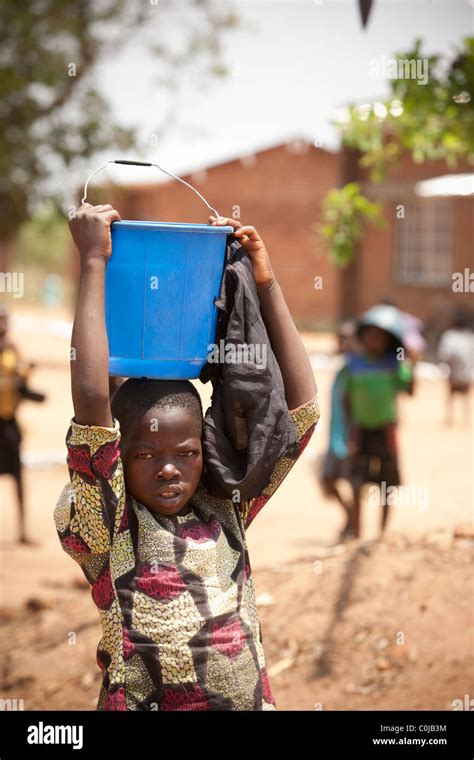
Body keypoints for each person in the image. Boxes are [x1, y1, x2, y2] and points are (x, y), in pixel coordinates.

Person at [53, 202, 319, 711]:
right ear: (117, 459)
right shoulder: (108, 527)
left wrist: (265, 283)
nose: (170, 468)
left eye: (187, 452)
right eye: (146, 454)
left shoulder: (226, 506)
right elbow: (91, 410)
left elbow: (300, 414)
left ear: (206, 449)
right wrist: (92, 262)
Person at [339, 304, 414, 539]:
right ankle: (358, 532)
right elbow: (346, 399)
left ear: (388, 341)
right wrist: (349, 431)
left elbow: (409, 390)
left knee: (387, 484)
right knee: (356, 482)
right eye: (370, 335)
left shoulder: (395, 365)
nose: (374, 340)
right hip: (360, 433)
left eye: (380, 336)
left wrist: (412, 364)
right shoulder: (354, 365)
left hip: (385, 432)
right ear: (363, 336)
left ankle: (381, 534)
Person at [0, 304, 46, 543]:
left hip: (8, 424)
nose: (2, 325)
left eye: (5, 320)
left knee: (17, 475)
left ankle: (22, 531)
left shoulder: (12, 351)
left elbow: (19, 384)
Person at [320, 321, 355, 540]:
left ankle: (353, 526)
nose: (340, 342)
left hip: (349, 439)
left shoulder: (356, 370)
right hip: (336, 438)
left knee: (349, 482)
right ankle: (351, 518)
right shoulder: (344, 367)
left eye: (345, 338)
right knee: (328, 480)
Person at [438, 307, 473, 426]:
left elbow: (444, 355)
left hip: (454, 375)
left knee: (450, 396)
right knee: (465, 397)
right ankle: (465, 419)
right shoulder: (470, 338)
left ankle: (450, 418)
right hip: (467, 375)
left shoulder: (449, 337)